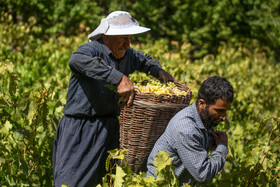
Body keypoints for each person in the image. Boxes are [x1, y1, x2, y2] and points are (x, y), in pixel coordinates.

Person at [52, 11, 174, 187]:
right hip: (81, 128)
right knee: (71, 182)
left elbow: (145, 60)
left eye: (130, 38)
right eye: (124, 37)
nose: (127, 43)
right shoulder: (93, 49)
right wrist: (118, 78)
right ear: (108, 35)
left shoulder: (126, 55)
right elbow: (76, 59)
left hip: (110, 129)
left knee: (108, 181)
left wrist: (159, 71)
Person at [146, 76, 234, 186]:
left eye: (226, 111)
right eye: (220, 111)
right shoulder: (186, 128)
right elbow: (203, 174)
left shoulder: (203, 119)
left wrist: (210, 142)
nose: (224, 117)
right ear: (202, 104)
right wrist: (222, 147)